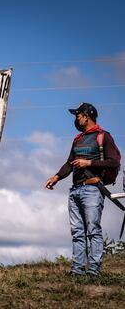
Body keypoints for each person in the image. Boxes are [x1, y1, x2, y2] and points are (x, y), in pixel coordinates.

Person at [45, 103, 120, 276]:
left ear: (87, 116)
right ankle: (77, 270)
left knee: (93, 229)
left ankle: (94, 270)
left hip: (93, 189)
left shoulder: (103, 137)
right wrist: (56, 177)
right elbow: (69, 163)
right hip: (75, 190)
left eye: (78, 115)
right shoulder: (78, 139)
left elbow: (114, 161)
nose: (76, 118)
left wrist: (89, 163)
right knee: (77, 231)